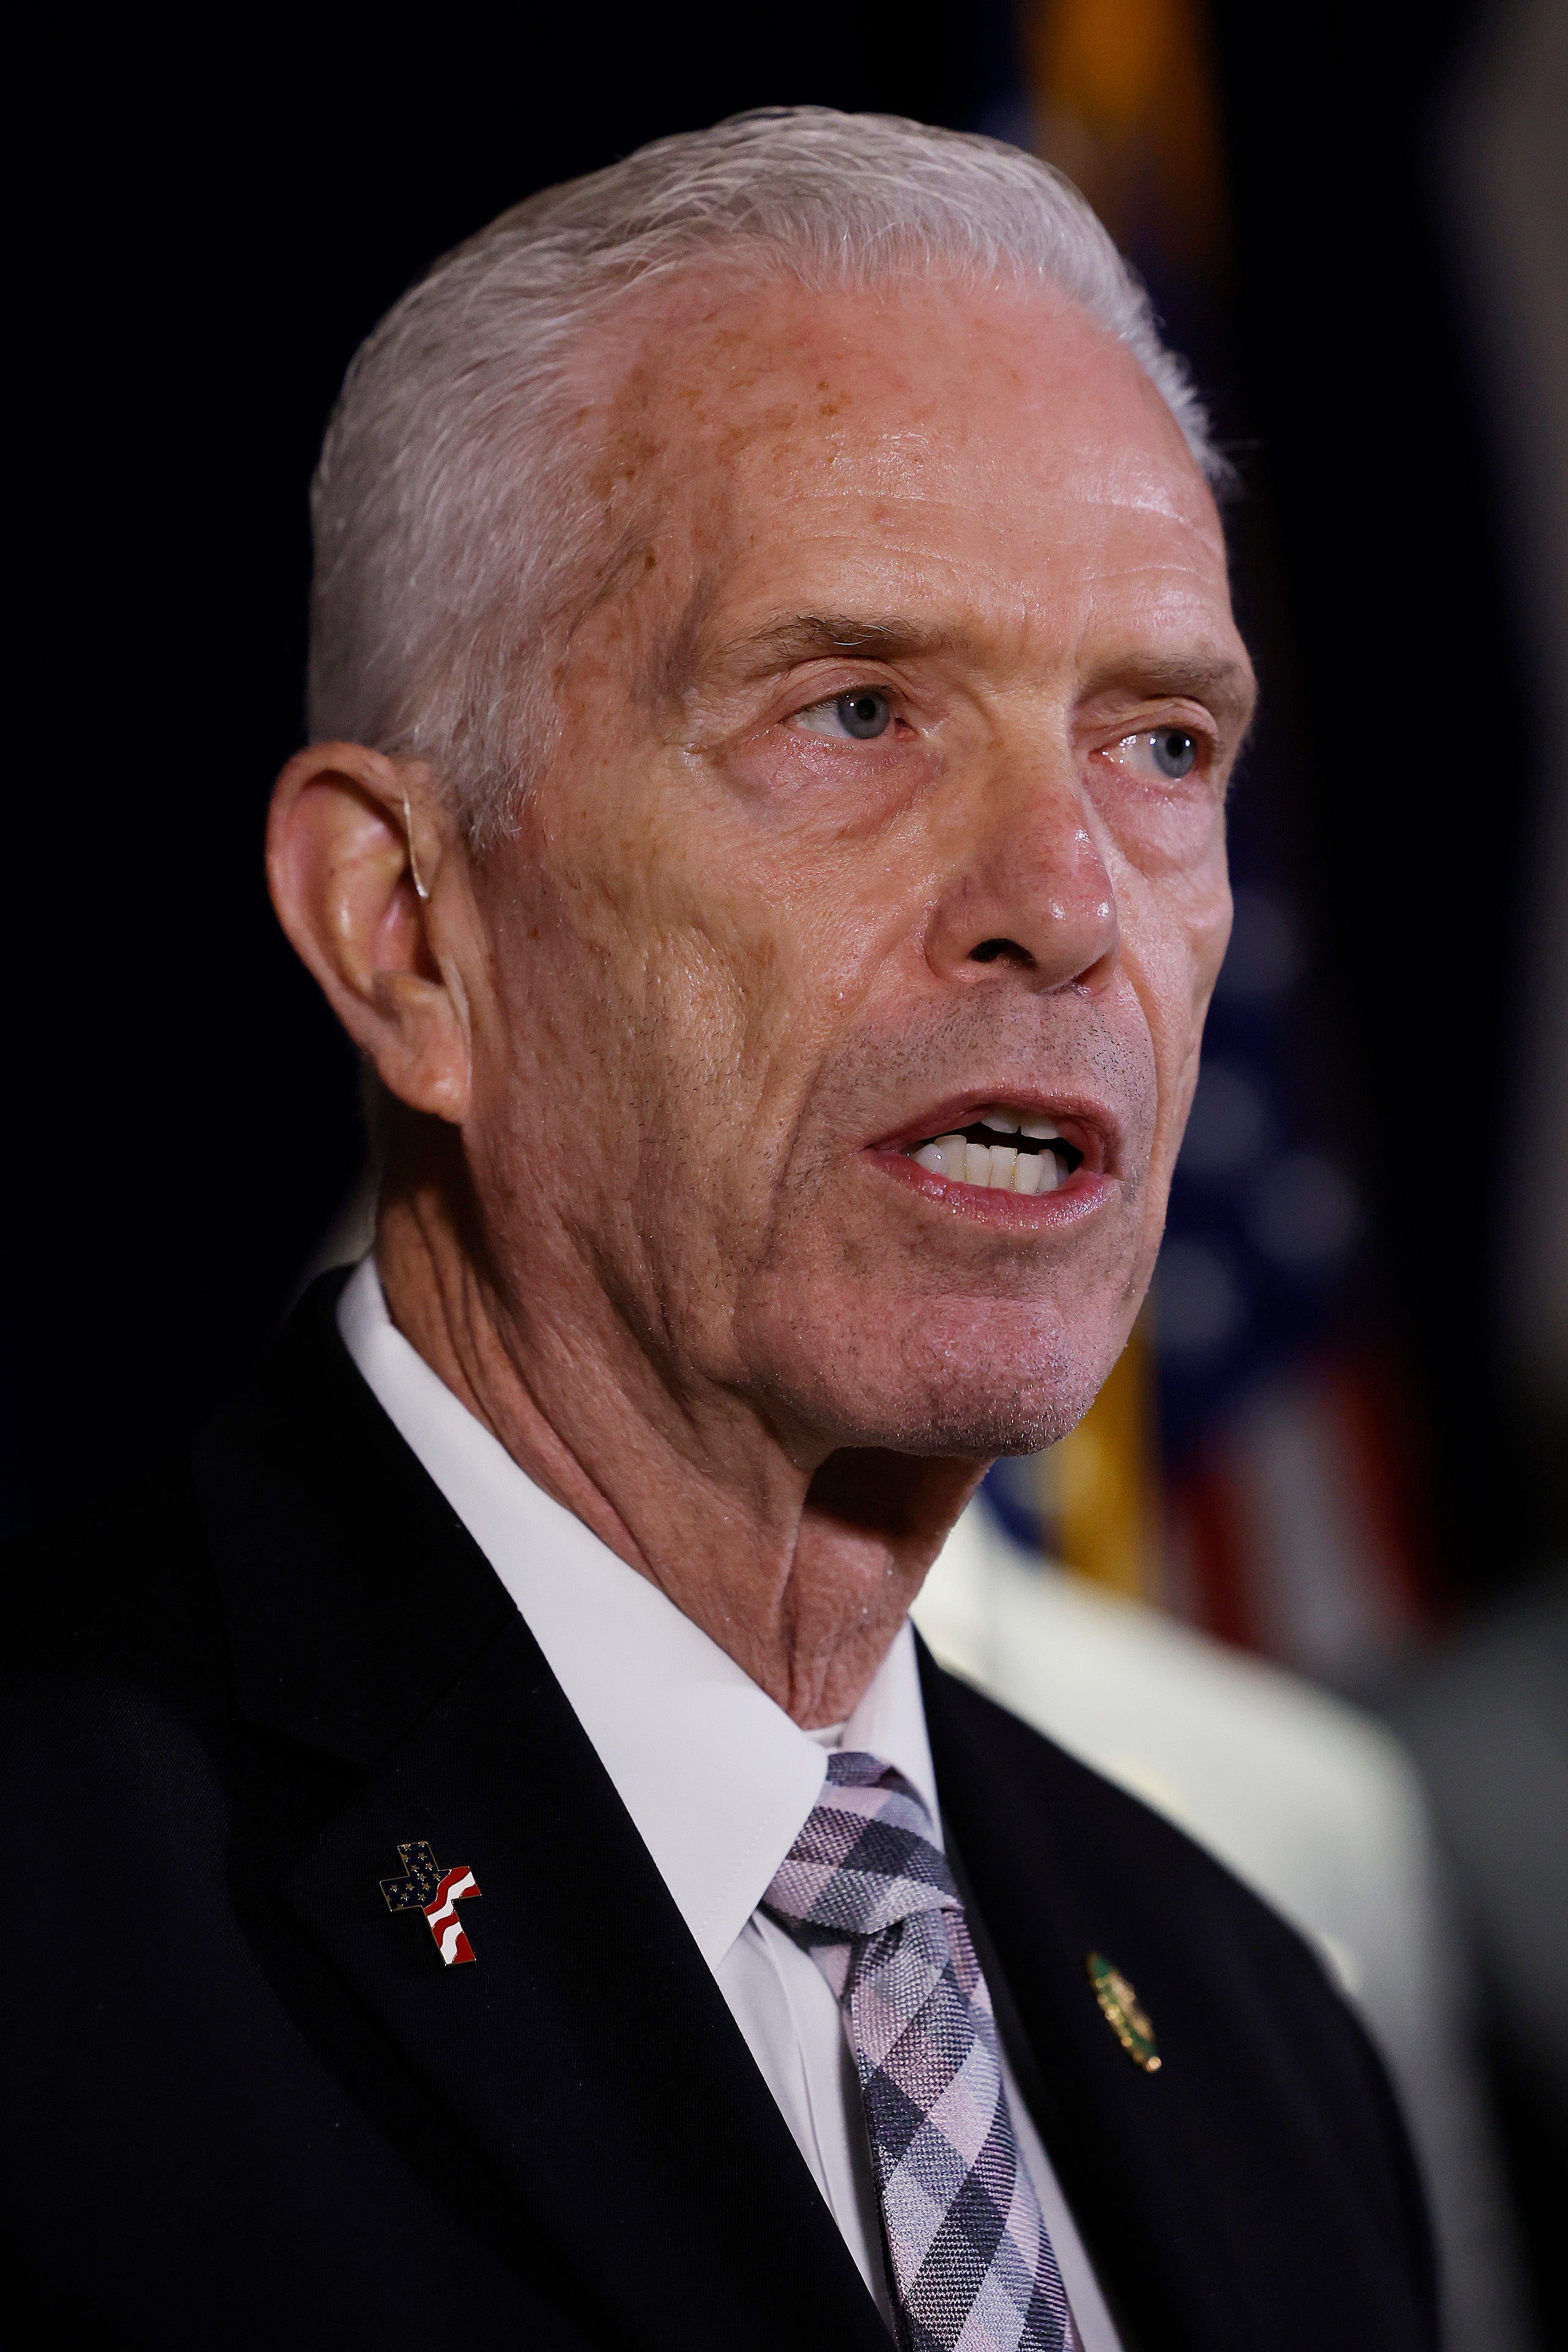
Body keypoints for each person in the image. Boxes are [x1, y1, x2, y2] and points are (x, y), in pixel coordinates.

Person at [2, 110, 1437, 2350]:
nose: (1068, 905)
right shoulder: (50, 1913)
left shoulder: (1256, 2036)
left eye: (1159, 743)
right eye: (856, 709)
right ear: (408, 932)